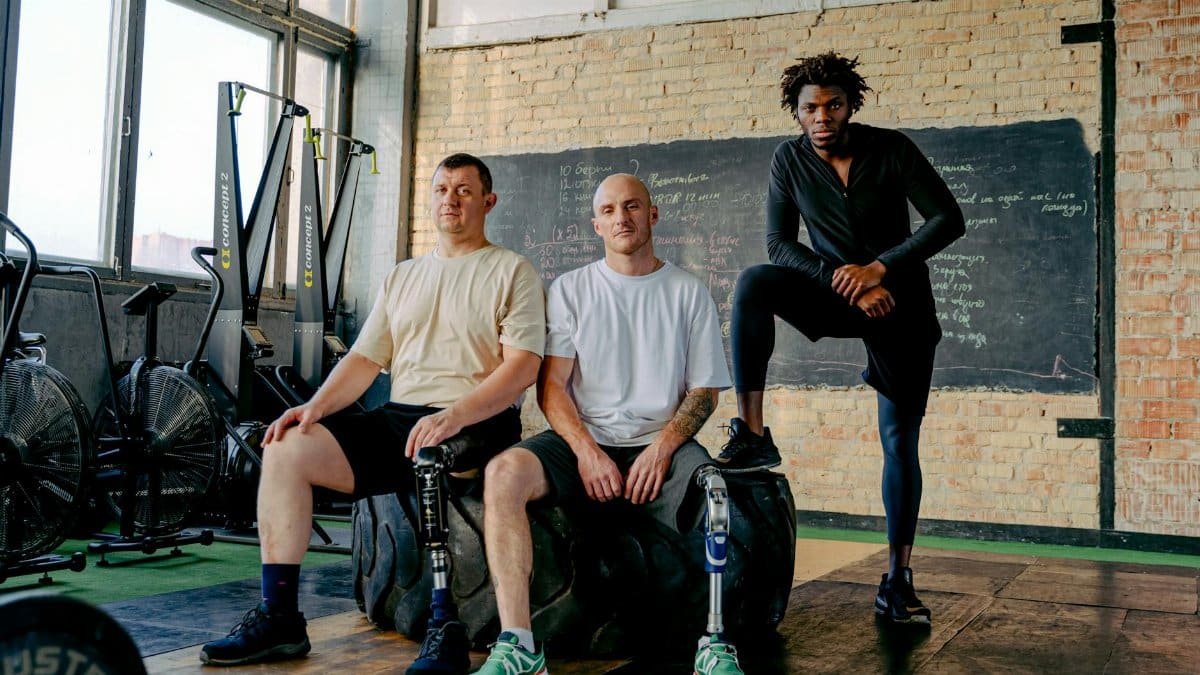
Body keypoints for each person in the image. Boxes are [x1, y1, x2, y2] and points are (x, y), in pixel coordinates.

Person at [199, 153, 546, 671]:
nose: (450, 199)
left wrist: (454, 416)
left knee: (429, 456)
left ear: (488, 202)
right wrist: (311, 408)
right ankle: (281, 618)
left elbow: (521, 369)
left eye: (464, 190)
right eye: (442, 189)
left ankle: (443, 626)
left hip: (478, 420)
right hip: (403, 417)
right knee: (287, 449)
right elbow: (364, 360)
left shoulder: (512, 270)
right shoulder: (403, 276)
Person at [722, 52, 965, 625]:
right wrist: (847, 282)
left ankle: (897, 579)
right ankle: (753, 433)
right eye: (811, 108)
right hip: (838, 290)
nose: (822, 116)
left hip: (900, 301)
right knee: (755, 282)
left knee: (899, 440)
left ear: (850, 106)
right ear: (797, 113)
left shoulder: (893, 149)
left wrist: (880, 270)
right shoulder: (788, 160)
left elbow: (946, 219)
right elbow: (780, 245)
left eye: (833, 105)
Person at [475, 173, 744, 675]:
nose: (623, 217)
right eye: (611, 209)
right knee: (502, 474)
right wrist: (586, 451)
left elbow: (704, 392)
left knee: (716, 493)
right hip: (585, 442)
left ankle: (714, 641)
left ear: (653, 215)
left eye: (633, 206)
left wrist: (662, 448)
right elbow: (552, 387)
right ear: (596, 223)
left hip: (660, 443)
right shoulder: (572, 290)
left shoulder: (688, 292)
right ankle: (518, 645)